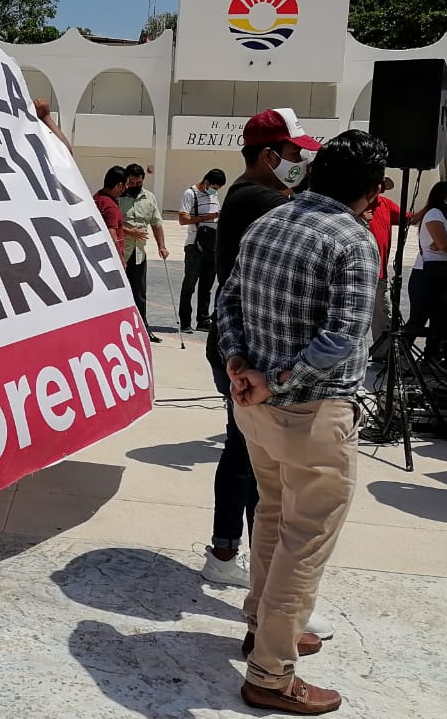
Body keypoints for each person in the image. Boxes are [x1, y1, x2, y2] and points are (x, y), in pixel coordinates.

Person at [216, 129, 385, 715]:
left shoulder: (269, 221)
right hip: (311, 411)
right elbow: (342, 337)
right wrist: (277, 379)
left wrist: (241, 364)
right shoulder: (353, 239)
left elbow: (228, 301)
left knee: (271, 512)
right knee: (305, 539)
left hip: (255, 406)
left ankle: (264, 624)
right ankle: (271, 671)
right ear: (371, 190)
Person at [200, 110, 332, 636]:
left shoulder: (244, 195)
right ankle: (273, 591)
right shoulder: (266, 202)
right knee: (268, 472)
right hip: (251, 354)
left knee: (243, 454)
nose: (302, 163)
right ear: (270, 155)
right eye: (296, 154)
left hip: (239, 348)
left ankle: (226, 553)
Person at [402, 181, 447, 364]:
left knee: (442, 320)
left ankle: (432, 358)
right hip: (427, 275)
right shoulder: (434, 213)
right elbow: (444, 245)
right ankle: (401, 357)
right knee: (419, 319)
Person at [118, 163, 169, 342]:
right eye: (131, 182)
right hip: (119, 254)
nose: (134, 186)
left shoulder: (149, 198)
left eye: (138, 182)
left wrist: (162, 246)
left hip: (139, 254)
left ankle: (143, 328)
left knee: (139, 292)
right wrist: (129, 232)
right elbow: (110, 224)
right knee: (118, 292)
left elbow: (156, 223)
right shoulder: (118, 197)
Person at [178, 169, 227, 332]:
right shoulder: (190, 194)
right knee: (189, 285)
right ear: (206, 182)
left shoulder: (213, 195)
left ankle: (203, 320)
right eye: (214, 187)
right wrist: (208, 217)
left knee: (206, 287)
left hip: (211, 246)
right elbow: (183, 219)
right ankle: (185, 322)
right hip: (194, 246)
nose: (215, 191)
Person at [363, 177, 402, 358]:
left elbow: (408, 218)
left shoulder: (385, 204)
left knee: (381, 313)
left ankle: (382, 353)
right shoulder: (355, 205)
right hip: (359, 272)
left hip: (378, 273)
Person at [93, 165, 127, 262]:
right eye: (126, 185)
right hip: (110, 259)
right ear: (120, 185)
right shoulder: (110, 206)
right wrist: (120, 259)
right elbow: (112, 235)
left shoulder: (97, 198)